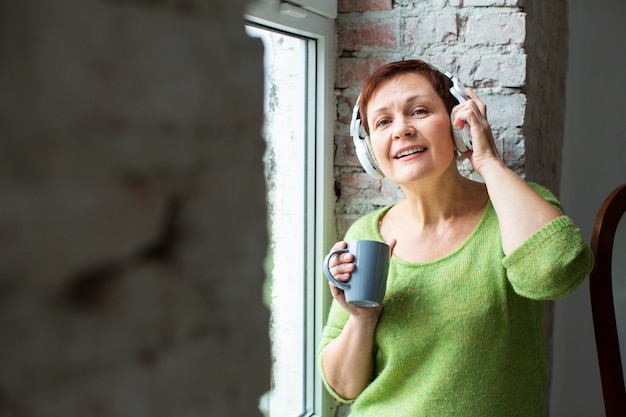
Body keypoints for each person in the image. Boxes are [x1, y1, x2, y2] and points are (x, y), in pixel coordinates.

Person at [318, 59, 594, 417]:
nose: (401, 129)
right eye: (383, 122)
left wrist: (487, 159)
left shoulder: (513, 210)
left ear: (456, 124)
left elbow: (557, 273)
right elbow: (343, 387)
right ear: (369, 150)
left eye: (418, 111)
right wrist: (362, 318)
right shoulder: (365, 235)